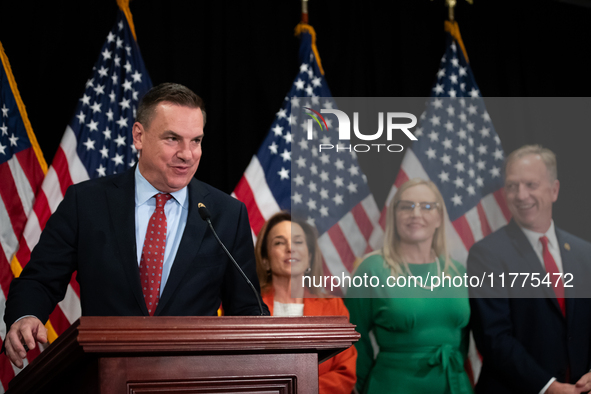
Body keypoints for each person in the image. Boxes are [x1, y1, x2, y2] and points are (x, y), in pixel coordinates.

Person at [3, 83, 268, 368]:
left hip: (192, 377)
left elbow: (246, 306)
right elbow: (39, 280)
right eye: (172, 139)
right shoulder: (86, 202)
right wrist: (26, 316)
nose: (187, 154)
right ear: (139, 136)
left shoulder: (226, 213)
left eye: (196, 141)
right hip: (103, 372)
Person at [468, 145, 591, 394]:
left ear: (554, 190)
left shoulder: (584, 253)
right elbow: (494, 338)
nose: (521, 195)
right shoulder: (487, 254)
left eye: (531, 185)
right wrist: (549, 388)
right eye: (512, 186)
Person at [345, 178, 473, 394]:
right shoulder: (372, 269)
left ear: (439, 217)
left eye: (427, 207)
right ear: (395, 216)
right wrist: (365, 385)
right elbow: (351, 337)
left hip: (454, 386)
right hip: (392, 386)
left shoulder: (457, 271)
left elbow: (462, 340)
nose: (416, 214)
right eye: (406, 206)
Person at [255, 211, 357, 394]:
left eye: (298, 242)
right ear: (266, 260)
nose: (290, 248)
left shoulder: (333, 307)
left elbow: (344, 373)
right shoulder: (248, 308)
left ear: (309, 257)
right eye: (279, 242)